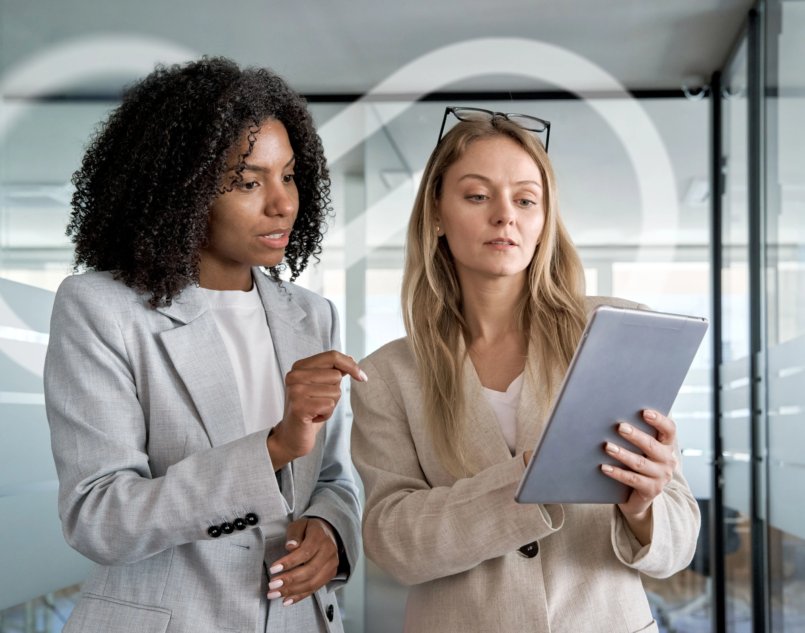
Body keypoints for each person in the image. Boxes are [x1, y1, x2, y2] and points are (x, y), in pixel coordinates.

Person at [350, 108, 700, 633]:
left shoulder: (616, 332)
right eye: (477, 195)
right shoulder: (388, 376)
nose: (504, 215)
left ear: (543, 221)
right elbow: (392, 542)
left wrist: (646, 506)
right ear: (437, 216)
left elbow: (679, 542)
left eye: (525, 199)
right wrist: (526, 482)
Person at [44, 57, 362, 633]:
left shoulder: (312, 316)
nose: (282, 202)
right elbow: (98, 516)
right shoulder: (101, 310)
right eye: (248, 182)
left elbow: (336, 478)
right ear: (180, 192)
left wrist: (332, 530)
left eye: (288, 175)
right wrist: (271, 448)